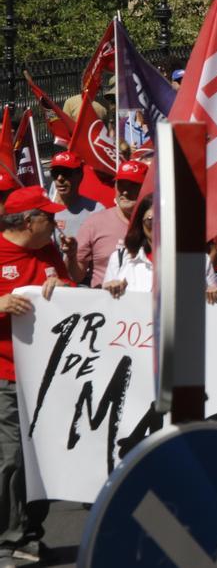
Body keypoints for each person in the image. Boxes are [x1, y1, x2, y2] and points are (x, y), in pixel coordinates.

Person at [0, 187, 73, 564]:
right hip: (6, 373)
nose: (55, 222)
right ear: (29, 222)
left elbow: (71, 292)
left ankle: (30, 534)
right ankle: (6, 539)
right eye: (48, 216)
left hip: (47, 375)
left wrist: (64, 288)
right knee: (11, 458)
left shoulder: (48, 251)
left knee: (45, 458)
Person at [75, 159, 147, 287]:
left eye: (132, 185)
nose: (124, 191)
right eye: (121, 185)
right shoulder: (94, 223)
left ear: (145, 187)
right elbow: (75, 274)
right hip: (104, 304)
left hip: (145, 303)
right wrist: (70, 256)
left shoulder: (157, 224)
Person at [47, 151, 100, 240]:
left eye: (66, 172)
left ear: (80, 175)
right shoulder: (44, 211)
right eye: (55, 173)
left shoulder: (96, 210)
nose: (60, 178)